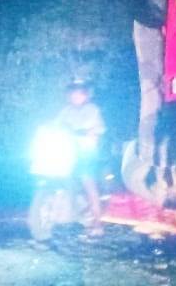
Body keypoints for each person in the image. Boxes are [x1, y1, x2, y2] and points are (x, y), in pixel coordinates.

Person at [53, 78, 106, 235]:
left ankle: (97, 223)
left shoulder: (92, 110)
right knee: (63, 178)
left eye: (79, 94)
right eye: (73, 94)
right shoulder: (66, 111)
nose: (76, 97)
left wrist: (89, 132)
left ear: (85, 95)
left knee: (87, 182)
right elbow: (55, 124)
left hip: (85, 153)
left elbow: (100, 128)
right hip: (68, 152)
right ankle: (67, 212)